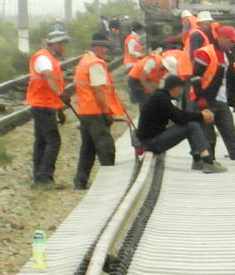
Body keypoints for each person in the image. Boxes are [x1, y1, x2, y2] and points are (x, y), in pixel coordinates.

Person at [70, 31, 130, 191]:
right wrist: (106, 111)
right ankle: (109, 183)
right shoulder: (95, 63)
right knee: (106, 147)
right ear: (95, 46)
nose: (105, 50)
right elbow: (98, 90)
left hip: (84, 112)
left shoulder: (84, 61)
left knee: (87, 148)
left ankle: (80, 182)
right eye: (103, 47)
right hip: (95, 112)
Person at [137, 74, 225, 173]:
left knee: (190, 124)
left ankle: (198, 160)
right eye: (180, 89)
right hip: (151, 143)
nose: (180, 92)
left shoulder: (159, 96)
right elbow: (179, 118)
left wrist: (199, 116)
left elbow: (179, 115)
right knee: (192, 126)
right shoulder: (161, 98)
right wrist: (201, 116)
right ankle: (208, 162)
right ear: (176, 88)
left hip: (150, 140)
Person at [190, 27, 235, 161]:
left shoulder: (228, 54)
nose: (233, 44)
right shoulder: (206, 53)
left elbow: (230, 79)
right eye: (231, 41)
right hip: (206, 99)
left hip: (221, 99)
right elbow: (195, 77)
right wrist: (201, 97)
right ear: (222, 38)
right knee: (207, 134)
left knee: (229, 131)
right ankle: (207, 162)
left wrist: (232, 99)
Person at [25, 26, 71, 186]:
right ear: (54, 44)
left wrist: (59, 107)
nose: (64, 48)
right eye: (62, 45)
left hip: (44, 104)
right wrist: (61, 94)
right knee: (53, 141)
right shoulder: (43, 58)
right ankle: (44, 177)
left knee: (41, 141)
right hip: (42, 104)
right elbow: (49, 76)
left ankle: (39, 176)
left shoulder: (48, 58)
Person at [122, 22, 147, 105]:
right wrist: (141, 55)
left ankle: (135, 98)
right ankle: (134, 99)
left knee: (135, 81)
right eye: (141, 30)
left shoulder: (134, 38)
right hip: (131, 62)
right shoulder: (132, 39)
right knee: (133, 82)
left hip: (135, 62)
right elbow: (131, 51)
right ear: (138, 30)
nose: (142, 32)